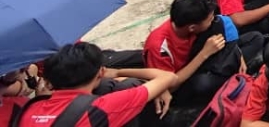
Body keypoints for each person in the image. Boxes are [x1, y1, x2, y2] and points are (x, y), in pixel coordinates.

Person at [13, 42, 177, 127]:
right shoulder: (101, 107)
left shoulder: (29, 108)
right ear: (100, 72)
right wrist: (119, 73)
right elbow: (167, 77)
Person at [143, 0, 263, 106]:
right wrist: (204, 54)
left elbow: (224, 23)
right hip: (184, 81)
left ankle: (233, 71)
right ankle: (234, 77)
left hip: (206, 62)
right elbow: (169, 87)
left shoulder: (192, 23)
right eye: (210, 19)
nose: (213, 21)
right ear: (192, 28)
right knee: (202, 83)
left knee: (255, 38)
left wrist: (238, 54)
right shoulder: (158, 47)